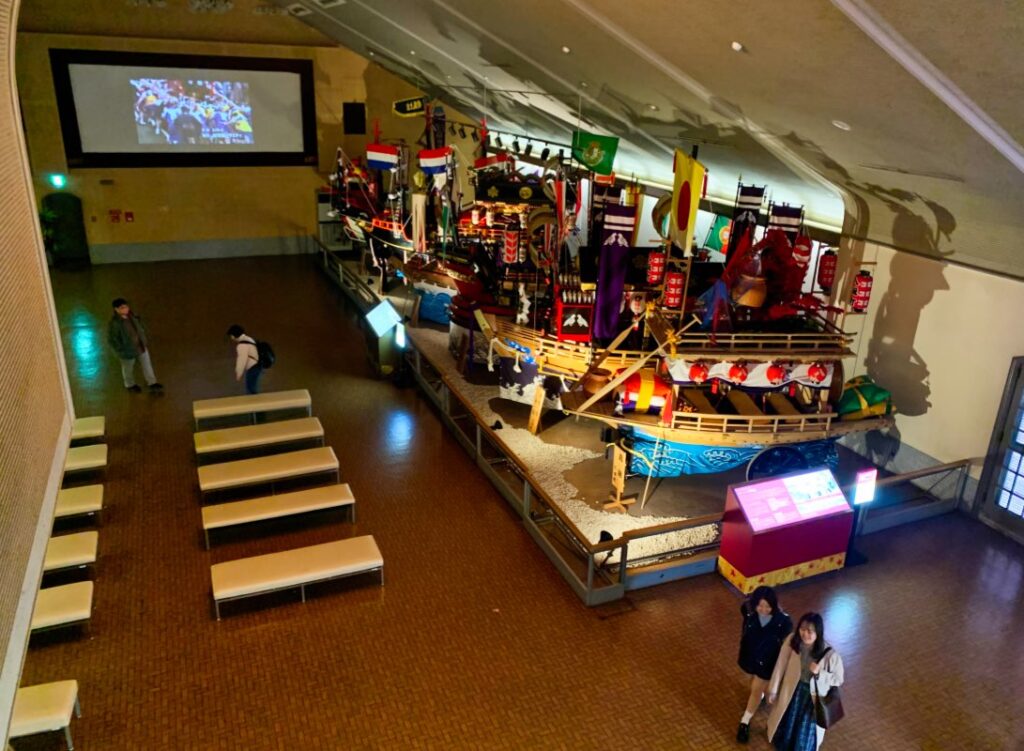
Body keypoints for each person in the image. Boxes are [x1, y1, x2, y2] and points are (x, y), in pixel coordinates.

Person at [767, 612, 845, 751]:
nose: (805, 634)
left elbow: (838, 679)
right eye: (802, 629)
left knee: (805, 726)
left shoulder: (830, 655)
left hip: (812, 698)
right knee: (788, 720)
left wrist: (821, 673)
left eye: (810, 631)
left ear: (818, 633)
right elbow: (781, 664)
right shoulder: (793, 641)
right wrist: (773, 689)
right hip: (793, 691)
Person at [736, 586, 793, 743]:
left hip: (768, 663)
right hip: (751, 659)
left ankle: (745, 721)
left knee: (756, 690)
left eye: (768, 606)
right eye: (760, 605)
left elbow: (788, 646)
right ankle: (760, 697)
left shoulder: (783, 622)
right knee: (754, 684)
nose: (763, 610)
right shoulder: (749, 613)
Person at [107, 298, 163, 393]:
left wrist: (144, 339)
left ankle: (152, 382)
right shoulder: (115, 324)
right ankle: (130, 384)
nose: (126, 309)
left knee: (147, 365)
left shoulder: (133, 317)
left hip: (140, 346)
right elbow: (113, 340)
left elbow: (140, 328)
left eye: (126, 306)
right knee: (128, 368)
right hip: (127, 350)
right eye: (122, 308)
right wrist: (120, 351)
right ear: (116, 309)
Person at [227, 324, 261, 394]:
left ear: (233, 335)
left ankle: (254, 403)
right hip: (258, 365)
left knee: (251, 389)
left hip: (252, 367)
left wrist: (238, 373)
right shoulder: (249, 339)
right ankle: (255, 401)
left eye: (231, 336)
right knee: (252, 387)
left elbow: (242, 360)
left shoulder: (242, 345)